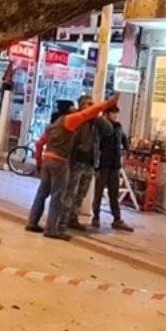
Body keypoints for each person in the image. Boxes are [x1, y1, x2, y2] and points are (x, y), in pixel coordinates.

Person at [26, 95, 119, 240]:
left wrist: (39, 161)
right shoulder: (70, 121)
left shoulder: (53, 124)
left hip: (48, 160)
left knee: (43, 193)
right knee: (60, 196)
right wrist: (107, 104)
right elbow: (85, 114)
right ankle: (52, 229)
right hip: (61, 161)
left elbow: (40, 144)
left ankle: (33, 222)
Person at [92, 106, 135, 232]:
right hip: (103, 164)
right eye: (113, 113)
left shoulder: (118, 127)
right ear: (106, 114)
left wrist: (126, 149)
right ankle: (96, 217)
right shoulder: (101, 127)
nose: (116, 116)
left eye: (116, 113)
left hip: (114, 165)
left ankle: (117, 218)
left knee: (113, 193)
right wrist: (96, 162)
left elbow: (124, 139)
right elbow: (96, 143)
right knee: (98, 193)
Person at [63, 95, 99, 231]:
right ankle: (63, 219)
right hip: (77, 161)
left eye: (93, 104)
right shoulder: (78, 121)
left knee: (81, 193)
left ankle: (73, 217)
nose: (91, 106)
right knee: (71, 191)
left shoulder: (95, 123)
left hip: (89, 162)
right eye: (88, 104)